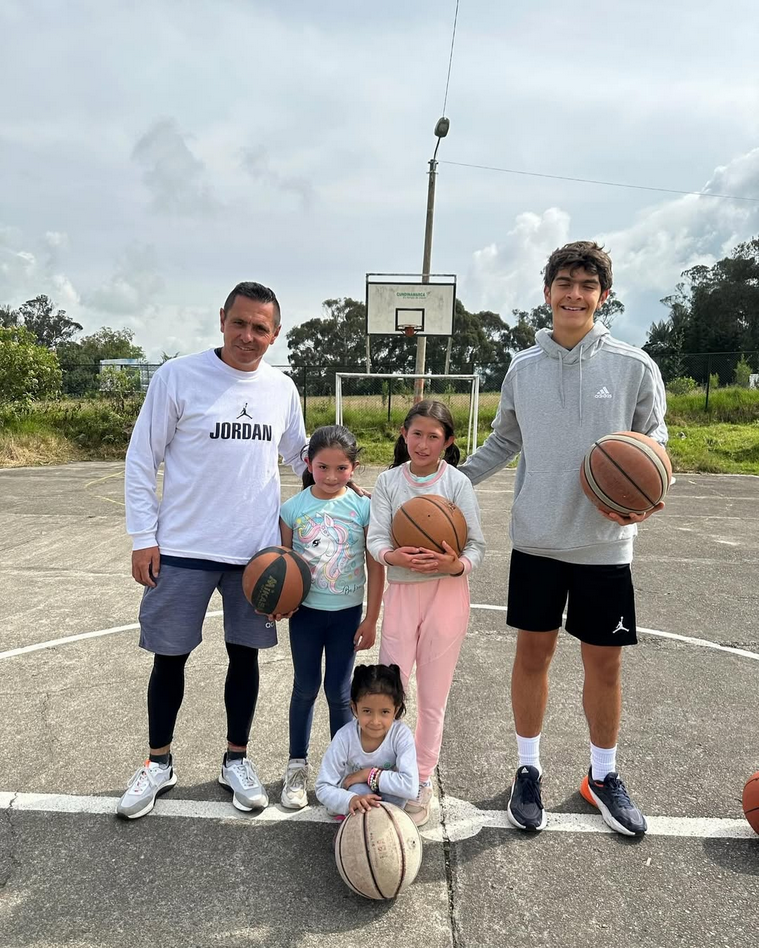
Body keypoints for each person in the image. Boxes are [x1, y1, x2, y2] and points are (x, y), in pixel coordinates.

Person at [460, 241, 668, 837]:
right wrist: (448, 482)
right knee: (533, 657)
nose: (575, 294)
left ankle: (602, 775)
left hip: (604, 544)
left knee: (604, 665)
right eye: (565, 284)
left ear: (604, 296)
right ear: (547, 291)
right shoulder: (523, 369)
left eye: (587, 285)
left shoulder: (634, 365)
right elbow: (504, 440)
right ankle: (528, 770)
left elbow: (656, 443)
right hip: (538, 540)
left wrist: (647, 495)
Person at [117, 281, 307, 819]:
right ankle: (158, 763)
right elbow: (142, 458)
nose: (248, 335)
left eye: (260, 328)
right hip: (183, 546)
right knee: (170, 657)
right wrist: (143, 537)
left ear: (275, 334)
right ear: (222, 318)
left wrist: (341, 491)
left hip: (256, 555)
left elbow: (301, 457)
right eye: (239, 323)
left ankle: (235, 760)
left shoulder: (282, 389)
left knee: (244, 656)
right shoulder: (178, 376)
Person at [366, 399, 486, 826]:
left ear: (448, 441)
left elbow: (477, 547)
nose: (423, 443)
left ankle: (420, 778)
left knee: (434, 697)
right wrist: (392, 555)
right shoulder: (388, 481)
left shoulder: (457, 483)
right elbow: (376, 539)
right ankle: (386, 771)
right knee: (390, 692)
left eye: (433, 436)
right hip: (403, 594)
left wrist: (455, 565)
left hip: (446, 596)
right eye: (416, 434)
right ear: (404, 434)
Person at [278, 425, 384, 809]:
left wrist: (371, 618)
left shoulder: (363, 508)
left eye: (341, 468)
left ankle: (342, 771)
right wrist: (281, 602)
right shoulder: (292, 509)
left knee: (340, 694)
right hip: (306, 615)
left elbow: (376, 567)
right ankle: (297, 765)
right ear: (308, 464)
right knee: (305, 688)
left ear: (353, 468)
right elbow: (282, 566)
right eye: (323, 467)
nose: (331, 476)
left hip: (346, 616)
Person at [315, 664, 418, 817]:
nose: (375, 721)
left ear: (395, 710)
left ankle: (385, 823)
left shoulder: (401, 735)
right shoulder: (345, 737)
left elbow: (410, 787)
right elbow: (323, 786)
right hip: (357, 791)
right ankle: (356, 821)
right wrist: (349, 800)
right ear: (355, 708)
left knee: (397, 794)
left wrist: (369, 774)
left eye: (385, 712)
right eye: (367, 711)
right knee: (358, 791)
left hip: (388, 795)